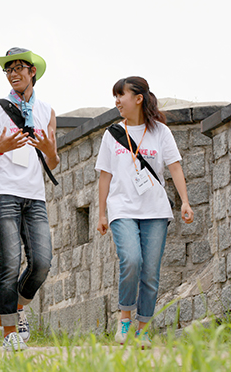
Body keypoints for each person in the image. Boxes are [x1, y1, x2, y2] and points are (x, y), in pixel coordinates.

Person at [96, 76, 194, 347]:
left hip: (155, 210)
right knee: (132, 260)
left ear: (138, 98)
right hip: (122, 208)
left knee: (150, 271)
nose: (117, 102)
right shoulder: (112, 134)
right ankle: (124, 318)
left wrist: (185, 201)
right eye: (115, 96)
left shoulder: (160, 132)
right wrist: (102, 213)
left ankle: (143, 328)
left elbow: (174, 167)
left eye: (121, 96)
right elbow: (105, 176)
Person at [0, 47, 59, 351]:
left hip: (35, 195)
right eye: (8, 70)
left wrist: (49, 150)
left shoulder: (46, 111)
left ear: (32, 71)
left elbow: (53, 161)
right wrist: (3, 147)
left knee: (42, 262)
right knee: (9, 262)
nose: (13, 74)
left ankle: (19, 305)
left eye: (19, 68)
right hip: (4, 193)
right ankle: (9, 333)